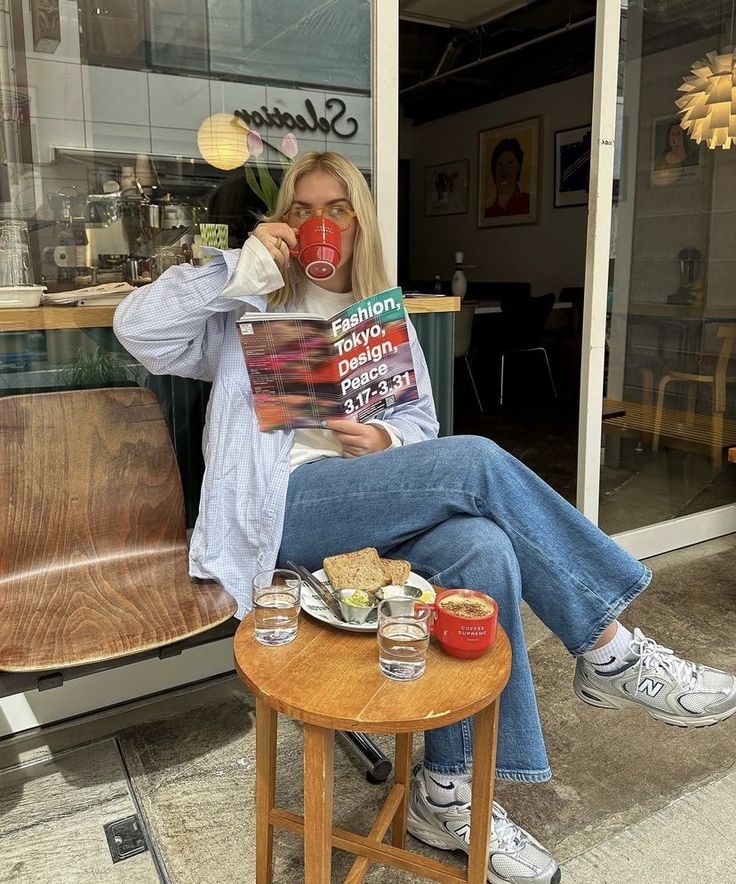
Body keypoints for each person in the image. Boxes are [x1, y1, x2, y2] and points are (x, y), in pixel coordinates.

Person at [114, 151, 736, 884]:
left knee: (482, 549)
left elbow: (420, 426)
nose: (320, 224)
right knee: (475, 463)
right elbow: (139, 331)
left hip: (373, 501)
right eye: (304, 209)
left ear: (358, 223)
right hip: (281, 513)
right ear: (285, 221)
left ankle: (450, 795)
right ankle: (610, 651)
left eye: (336, 209)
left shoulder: (381, 316)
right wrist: (236, 270)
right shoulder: (247, 302)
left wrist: (383, 439)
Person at [484, 138, 531, 218]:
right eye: (500, 164)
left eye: (510, 163)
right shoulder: (488, 213)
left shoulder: (529, 202)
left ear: (518, 168)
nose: (504, 169)